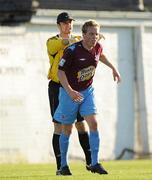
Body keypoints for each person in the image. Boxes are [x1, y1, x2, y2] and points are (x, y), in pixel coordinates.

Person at [54, 19, 121, 175]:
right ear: (83, 35)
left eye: (96, 34)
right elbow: (60, 72)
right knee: (67, 129)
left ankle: (94, 163)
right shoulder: (71, 51)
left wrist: (113, 68)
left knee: (94, 124)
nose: (94, 37)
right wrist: (70, 91)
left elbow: (100, 55)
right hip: (69, 93)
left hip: (87, 91)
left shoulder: (97, 46)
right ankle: (63, 166)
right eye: (91, 34)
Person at [46, 12, 92, 175]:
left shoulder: (80, 38)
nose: (69, 25)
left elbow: (91, 42)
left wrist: (94, 37)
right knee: (59, 126)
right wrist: (79, 40)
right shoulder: (52, 41)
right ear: (59, 25)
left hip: (75, 87)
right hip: (58, 87)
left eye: (70, 22)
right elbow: (64, 43)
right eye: (65, 23)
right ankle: (61, 167)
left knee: (81, 123)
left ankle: (90, 162)